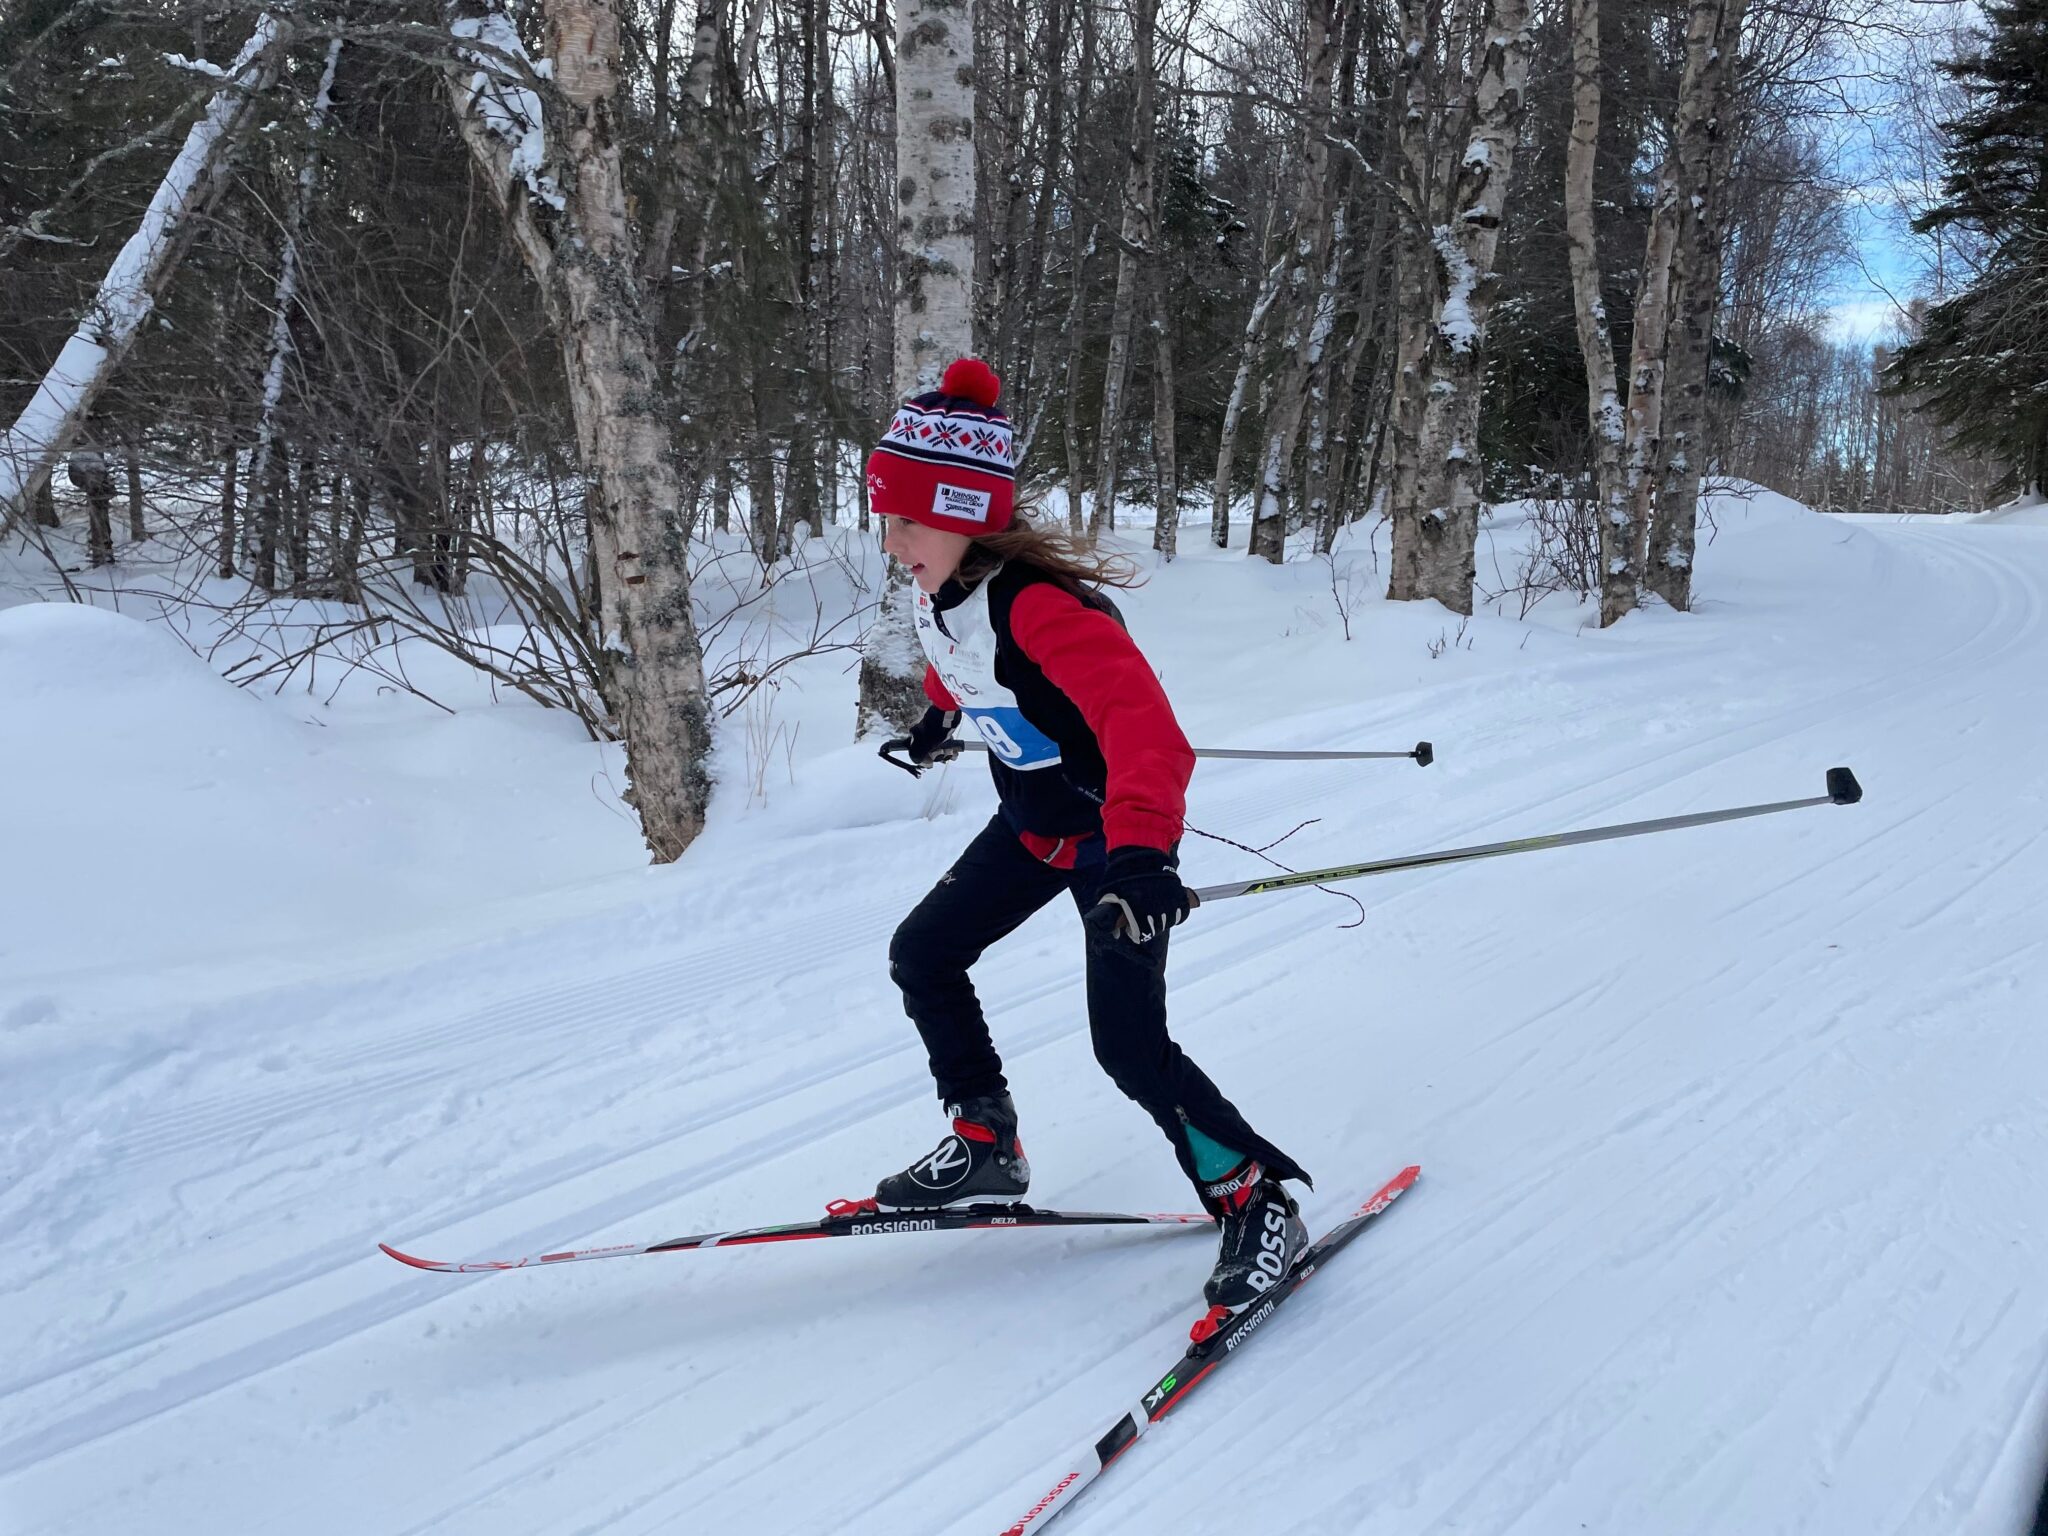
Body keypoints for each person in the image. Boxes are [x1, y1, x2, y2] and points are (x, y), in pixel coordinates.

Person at [866, 357, 1311, 1310]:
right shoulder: (940, 587)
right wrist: (941, 717)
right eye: (885, 520)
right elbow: (957, 658)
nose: (892, 542)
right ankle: (986, 1143)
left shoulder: (1039, 605)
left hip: (1116, 838)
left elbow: (1146, 732)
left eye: (907, 522)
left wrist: (1144, 855)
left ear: (965, 514)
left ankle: (1254, 1198)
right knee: (924, 954)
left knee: (1128, 1046)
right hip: (1034, 828)